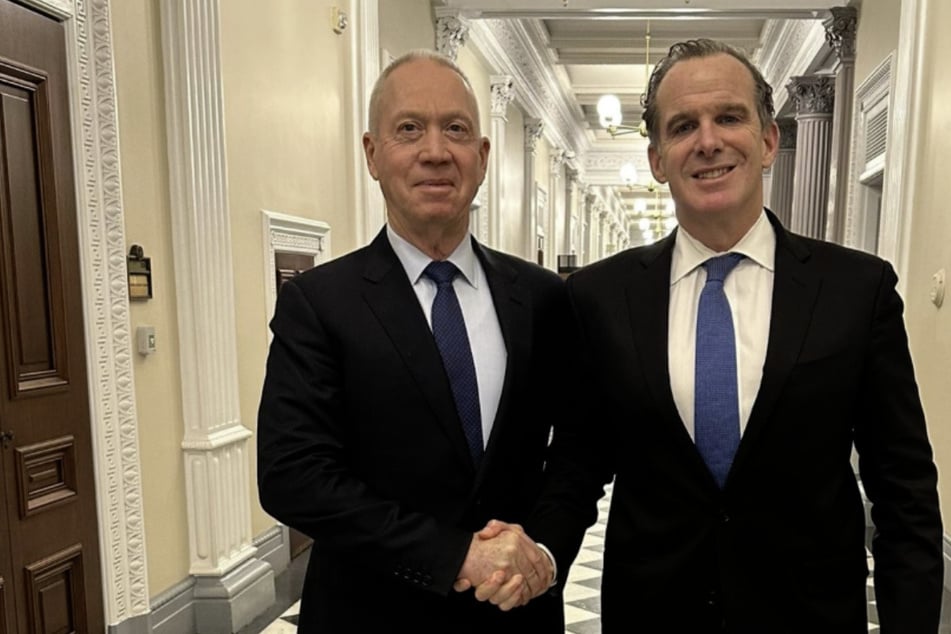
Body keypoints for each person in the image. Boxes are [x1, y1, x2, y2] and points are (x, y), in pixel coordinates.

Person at [492, 39, 942, 632]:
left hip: (809, 615)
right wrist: (543, 554)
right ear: (657, 159)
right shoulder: (601, 298)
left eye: (729, 117)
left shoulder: (857, 290)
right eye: (683, 126)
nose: (708, 141)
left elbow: (903, 488)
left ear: (768, 141)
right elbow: (578, 460)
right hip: (654, 613)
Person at [256, 50, 569, 633]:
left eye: (455, 129)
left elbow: (576, 453)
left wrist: (544, 553)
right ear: (373, 155)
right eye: (409, 129)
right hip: (370, 611)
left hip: (516, 614)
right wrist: (454, 554)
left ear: (481, 157)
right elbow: (292, 476)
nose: (434, 151)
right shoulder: (320, 304)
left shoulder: (541, 298)